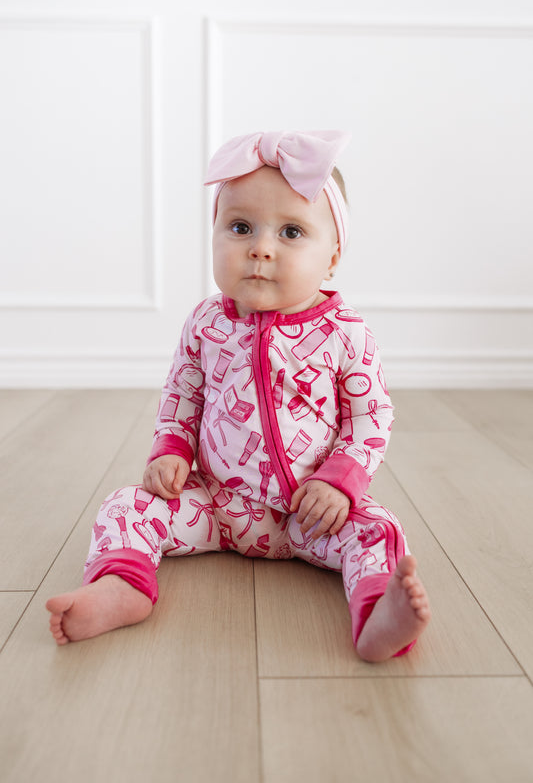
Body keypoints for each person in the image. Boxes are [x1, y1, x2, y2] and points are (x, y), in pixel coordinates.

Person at [47, 130, 430, 661]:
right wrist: (171, 452)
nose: (261, 248)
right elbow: (182, 394)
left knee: (378, 530)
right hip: (216, 507)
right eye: (241, 227)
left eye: (291, 231)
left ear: (333, 256)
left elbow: (370, 417)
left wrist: (340, 483)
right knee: (126, 505)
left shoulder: (345, 332)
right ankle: (121, 586)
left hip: (310, 515)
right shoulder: (207, 322)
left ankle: (377, 611)